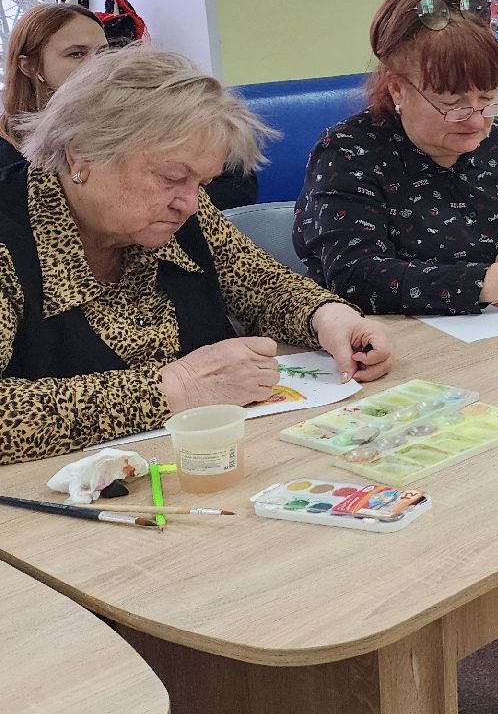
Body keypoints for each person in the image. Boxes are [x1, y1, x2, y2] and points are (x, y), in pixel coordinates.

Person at [0, 48, 393, 464]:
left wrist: (331, 317)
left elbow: (261, 284)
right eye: (171, 177)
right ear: (81, 154)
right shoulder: (10, 239)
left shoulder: (180, 209)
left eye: (202, 182)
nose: (189, 204)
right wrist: (177, 388)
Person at [295, 0, 498, 317]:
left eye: (487, 98)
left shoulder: (497, 142)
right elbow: (354, 275)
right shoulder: (350, 153)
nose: (475, 120)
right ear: (398, 89)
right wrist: (485, 283)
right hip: (391, 345)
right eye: (452, 104)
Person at [0, 4, 110, 169]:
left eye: (102, 52)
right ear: (29, 66)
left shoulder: (124, 124)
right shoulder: (8, 160)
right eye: (76, 54)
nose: (98, 63)